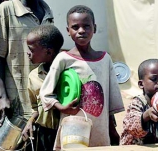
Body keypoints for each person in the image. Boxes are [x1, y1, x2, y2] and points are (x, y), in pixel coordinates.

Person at [39, 5, 125, 150]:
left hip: (100, 128)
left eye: (86, 26)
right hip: (72, 126)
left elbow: (109, 99)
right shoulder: (63, 59)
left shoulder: (105, 59)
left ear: (95, 28)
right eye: (75, 27)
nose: (81, 31)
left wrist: (112, 129)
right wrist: (61, 107)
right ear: (68, 30)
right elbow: (45, 92)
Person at [0, 0, 54, 119]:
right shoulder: (7, 9)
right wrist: (2, 97)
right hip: (17, 100)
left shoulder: (47, 11)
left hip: (43, 100)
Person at [21, 25, 64, 151]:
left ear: (49, 52)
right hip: (44, 134)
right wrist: (30, 122)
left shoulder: (69, 73)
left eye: (31, 50)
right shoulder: (34, 76)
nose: (28, 53)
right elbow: (35, 107)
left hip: (66, 131)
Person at [120, 59, 158, 145]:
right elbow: (130, 124)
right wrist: (146, 115)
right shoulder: (138, 102)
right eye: (154, 79)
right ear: (141, 84)